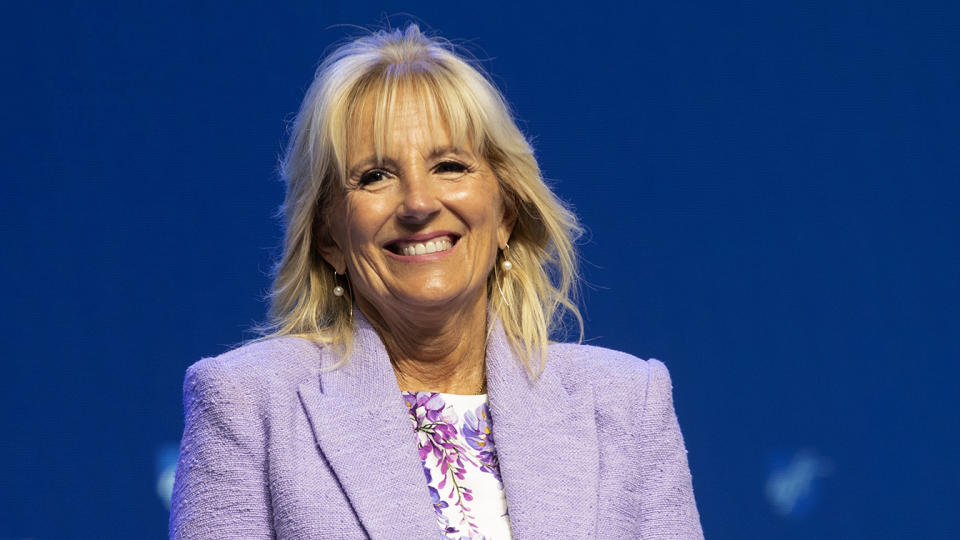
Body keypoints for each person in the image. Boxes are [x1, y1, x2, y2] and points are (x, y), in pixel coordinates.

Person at [169, 24, 703, 539]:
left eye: (450, 166)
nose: (419, 204)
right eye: (375, 176)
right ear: (328, 236)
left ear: (506, 213)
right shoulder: (248, 402)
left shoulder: (627, 402)